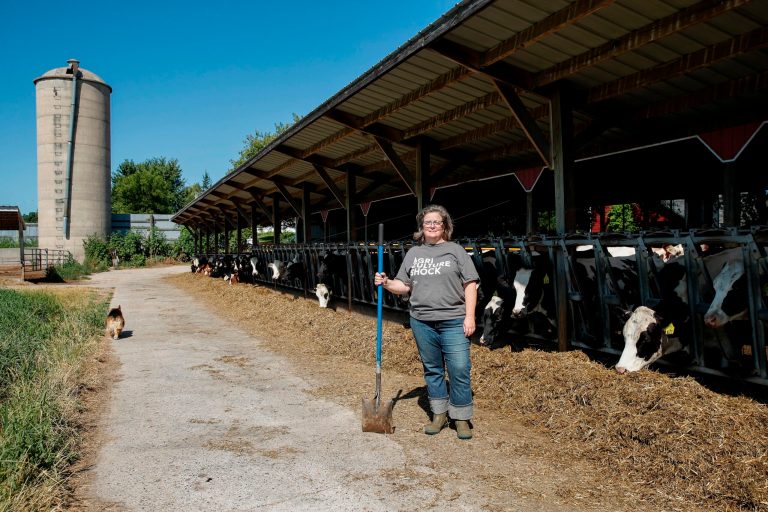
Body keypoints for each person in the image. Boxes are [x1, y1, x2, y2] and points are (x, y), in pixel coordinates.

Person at [374, 204, 479, 440]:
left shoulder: (456, 251)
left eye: (437, 222)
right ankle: (439, 414)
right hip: (422, 321)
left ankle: (461, 417)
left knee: (459, 368)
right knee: (432, 369)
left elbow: (470, 284)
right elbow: (405, 286)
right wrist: (387, 283)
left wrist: (470, 316)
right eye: (427, 222)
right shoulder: (414, 253)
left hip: (453, 320)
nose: (432, 226)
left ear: (445, 227)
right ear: (421, 227)